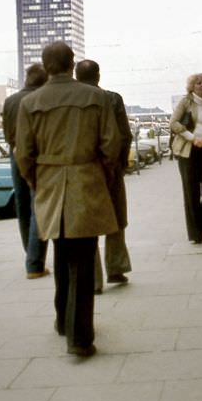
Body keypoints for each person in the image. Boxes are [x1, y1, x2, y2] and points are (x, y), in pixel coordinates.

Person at [15, 41, 121, 358]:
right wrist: (102, 174)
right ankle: (79, 337)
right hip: (86, 180)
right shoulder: (96, 97)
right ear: (72, 64)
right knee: (84, 257)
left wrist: (37, 180)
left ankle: (63, 319)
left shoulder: (30, 103)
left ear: (46, 66)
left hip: (49, 184)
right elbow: (111, 145)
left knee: (61, 252)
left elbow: (24, 154)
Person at [74, 59, 133, 291]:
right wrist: (120, 164)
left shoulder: (73, 99)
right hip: (111, 169)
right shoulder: (113, 98)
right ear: (98, 76)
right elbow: (124, 135)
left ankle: (94, 280)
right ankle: (116, 268)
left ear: (77, 77)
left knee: (88, 223)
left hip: (85, 169)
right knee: (116, 217)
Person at [2, 63, 49, 279]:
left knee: (22, 207)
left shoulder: (10, 101)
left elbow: (6, 133)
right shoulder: (40, 99)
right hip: (36, 156)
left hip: (14, 154)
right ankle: (34, 262)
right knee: (38, 206)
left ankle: (29, 252)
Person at [170, 73, 202, 244]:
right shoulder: (186, 102)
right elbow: (174, 123)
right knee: (191, 192)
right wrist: (193, 138)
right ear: (192, 86)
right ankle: (196, 234)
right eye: (198, 83)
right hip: (188, 150)